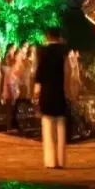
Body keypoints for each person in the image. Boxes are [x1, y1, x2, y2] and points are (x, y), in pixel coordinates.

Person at [34, 27, 70, 168]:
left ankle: (50, 161)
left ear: (47, 37)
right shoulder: (64, 52)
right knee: (61, 127)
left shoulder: (43, 52)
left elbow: (40, 73)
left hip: (47, 92)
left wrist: (36, 91)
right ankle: (62, 160)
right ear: (59, 37)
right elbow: (68, 72)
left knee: (48, 127)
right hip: (60, 92)